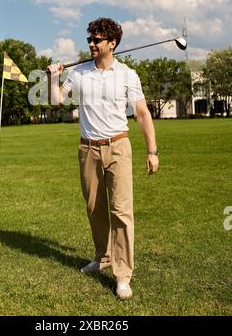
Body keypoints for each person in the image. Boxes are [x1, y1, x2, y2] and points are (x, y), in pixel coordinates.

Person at [47, 17, 159, 299]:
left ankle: (122, 275)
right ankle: (103, 257)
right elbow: (56, 100)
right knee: (95, 209)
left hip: (119, 147)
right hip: (87, 149)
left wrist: (152, 150)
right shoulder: (80, 72)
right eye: (90, 40)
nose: (91, 44)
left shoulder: (128, 75)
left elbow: (143, 113)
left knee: (121, 211)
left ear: (113, 44)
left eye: (97, 40)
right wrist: (52, 78)